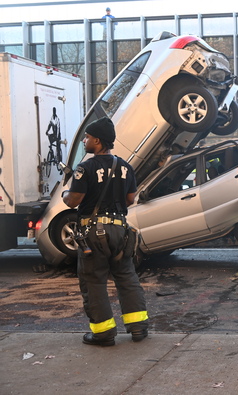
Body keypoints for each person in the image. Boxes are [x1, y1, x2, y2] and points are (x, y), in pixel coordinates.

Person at [63, 117, 149, 346]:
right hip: (121, 232)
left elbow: (73, 201)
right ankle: (138, 327)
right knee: (126, 276)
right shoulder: (125, 166)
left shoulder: (85, 168)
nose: (85, 140)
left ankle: (103, 333)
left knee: (94, 280)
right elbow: (130, 199)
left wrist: (64, 195)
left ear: (98, 141)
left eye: (87, 137)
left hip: (93, 234)